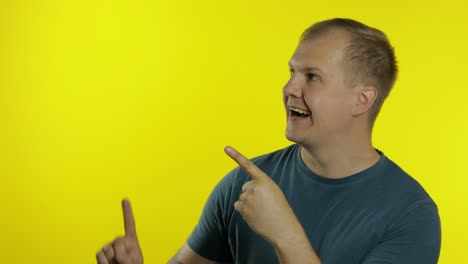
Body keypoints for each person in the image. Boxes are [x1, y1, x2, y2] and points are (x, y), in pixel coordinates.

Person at [96, 18, 441, 264]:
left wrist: (285, 235)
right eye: (292, 72)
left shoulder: (410, 216)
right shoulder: (244, 184)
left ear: (362, 100)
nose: (290, 88)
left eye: (312, 77)